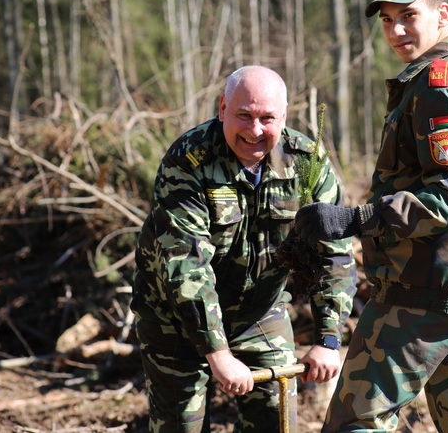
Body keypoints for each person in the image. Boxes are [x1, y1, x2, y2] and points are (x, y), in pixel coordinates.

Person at [292, 0, 448, 433]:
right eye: (386, 20)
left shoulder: (442, 86)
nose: (395, 31)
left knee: (357, 420)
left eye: (408, 16)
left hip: (428, 290)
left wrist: (354, 219)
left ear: (442, 14)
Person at [132, 65, 357, 432]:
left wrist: (328, 339)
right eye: (244, 115)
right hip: (176, 319)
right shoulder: (188, 160)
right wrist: (217, 352)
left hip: (260, 312)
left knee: (276, 421)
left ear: (284, 116)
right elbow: (185, 263)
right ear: (223, 108)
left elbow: (333, 252)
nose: (254, 131)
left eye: (267, 118)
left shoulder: (307, 162)